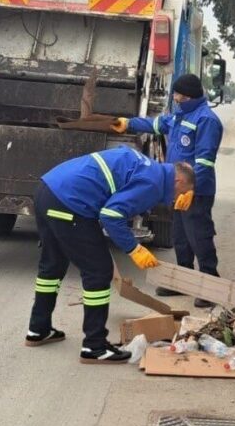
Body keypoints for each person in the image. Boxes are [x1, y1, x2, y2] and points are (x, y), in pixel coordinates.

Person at [26, 146, 196, 364]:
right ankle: (94, 347)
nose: (177, 200)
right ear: (178, 182)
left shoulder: (149, 168)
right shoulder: (153, 184)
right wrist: (134, 249)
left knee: (53, 264)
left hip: (48, 190)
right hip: (70, 201)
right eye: (182, 194)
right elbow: (111, 215)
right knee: (98, 271)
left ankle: (38, 330)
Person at [111, 73, 223, 308]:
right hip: (177, 187)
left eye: (177, 94)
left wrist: (192, 189)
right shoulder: (179, 116)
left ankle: (210, 286)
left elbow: (205, 162)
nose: (175, 97)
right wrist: (128, 123)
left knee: (199, 236)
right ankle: (182, 282)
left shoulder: (207, 120)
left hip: (197, 192)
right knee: (180, 238)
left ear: (188, 95)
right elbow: (154, 125)